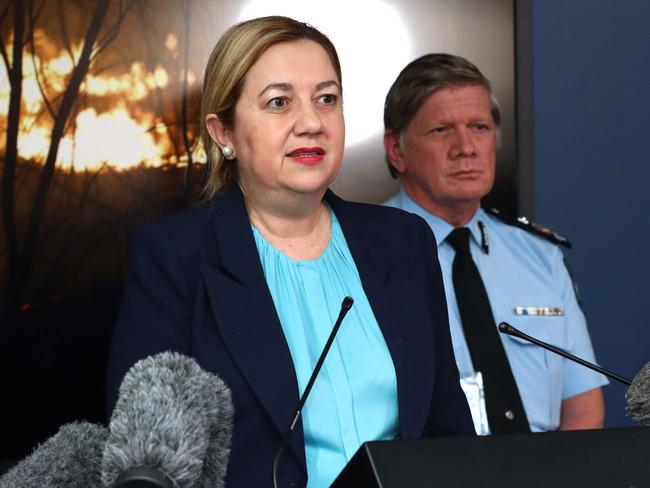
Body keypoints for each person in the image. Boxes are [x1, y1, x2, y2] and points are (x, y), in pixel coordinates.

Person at [106, 19, 473, 488]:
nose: (312, 123)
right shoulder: (174, 257)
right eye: (280, 102)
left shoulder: (403, 242)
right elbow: (146, 464)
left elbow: (448, 428)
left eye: (327, 99)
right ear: (224, 134)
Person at [383, 53, 608, 435]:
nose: (465, 147)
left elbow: (583, 411)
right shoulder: (361, 251)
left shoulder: (541, 257)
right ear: (397, 151)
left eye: (479, 127)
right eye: (441, 130)